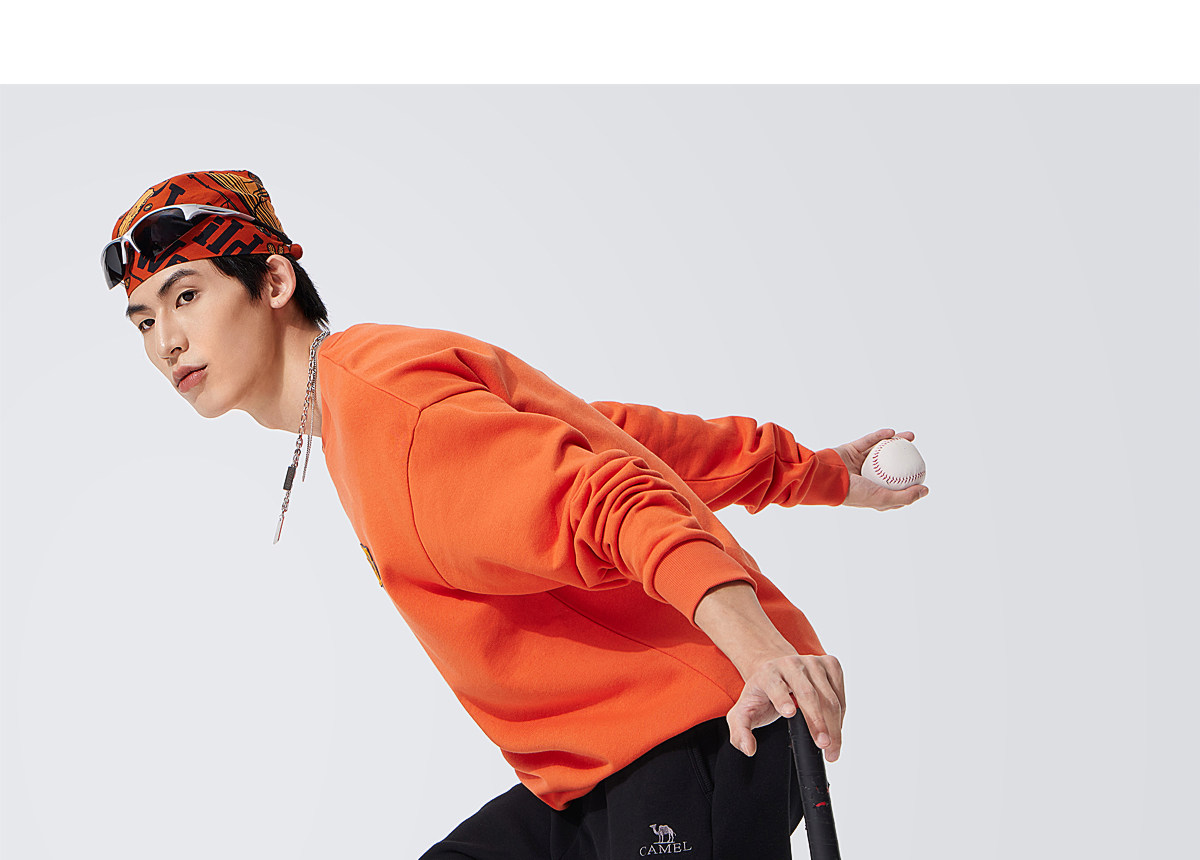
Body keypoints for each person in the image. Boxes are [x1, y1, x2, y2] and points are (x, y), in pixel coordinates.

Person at [103, 169, 928, 859]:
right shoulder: (362, 401)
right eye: (144, 320)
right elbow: (610, 437)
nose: (164, 341)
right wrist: (815, 472)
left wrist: (761, 650)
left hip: (701, 733)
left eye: (185, 296)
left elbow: (610, 497)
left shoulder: (390, 409)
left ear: (274, 283)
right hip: (589, 776)